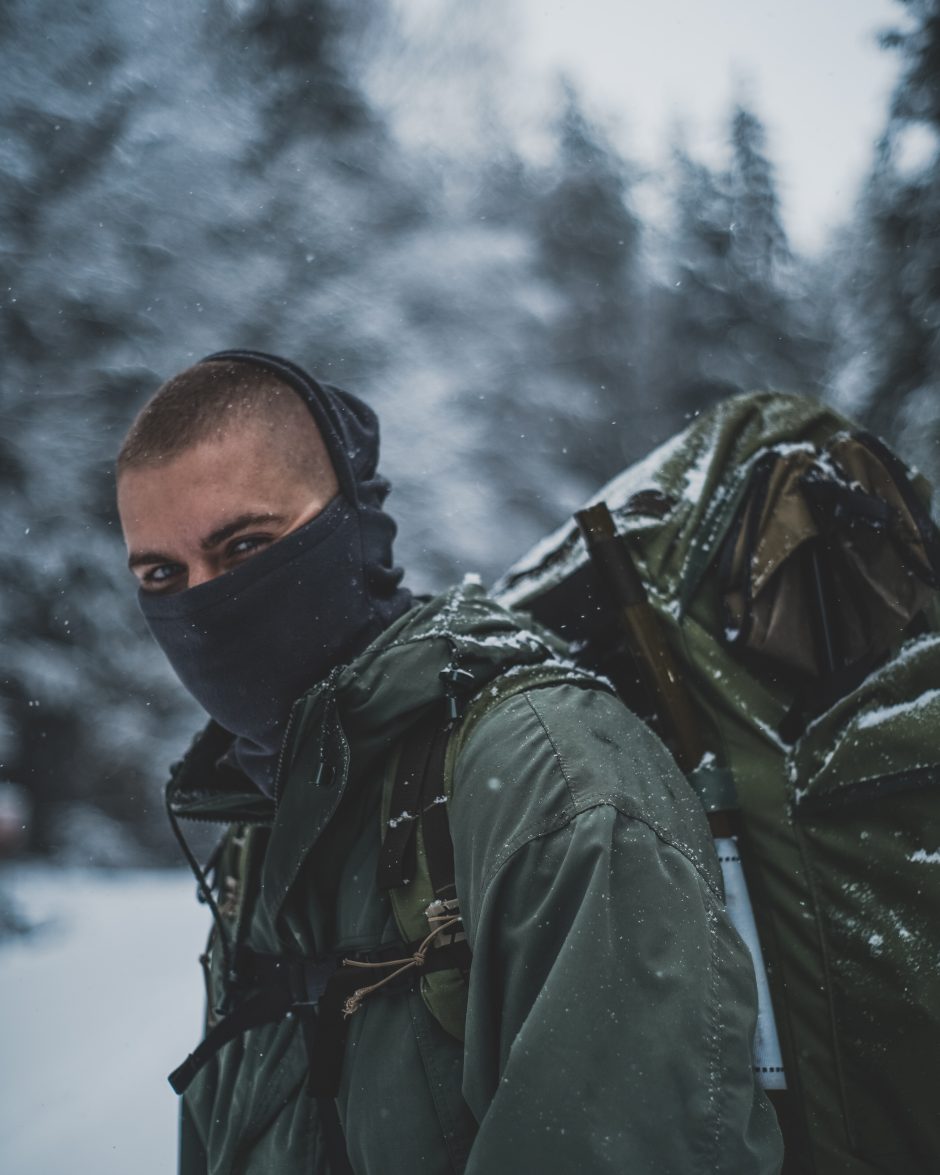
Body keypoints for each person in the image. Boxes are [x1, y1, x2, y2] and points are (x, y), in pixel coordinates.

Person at [116, 350, 783, 1175]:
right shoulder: (263, 823)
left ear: (354, 531)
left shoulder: (553, 777)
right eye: (160, 573)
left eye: (248, 544)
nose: (204, 605)